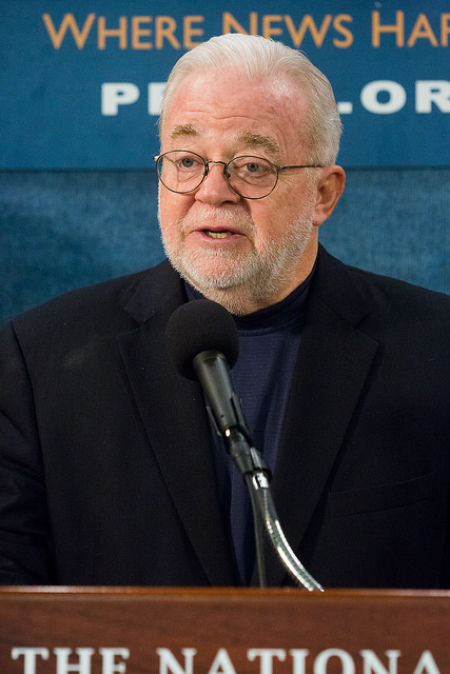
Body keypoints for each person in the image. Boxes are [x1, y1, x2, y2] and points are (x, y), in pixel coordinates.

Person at [0, 34, 449, 588]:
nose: (213, 191)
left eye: (253, 166)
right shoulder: (39, 360)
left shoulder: (436, 352)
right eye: (187, 161)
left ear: (324, 194)